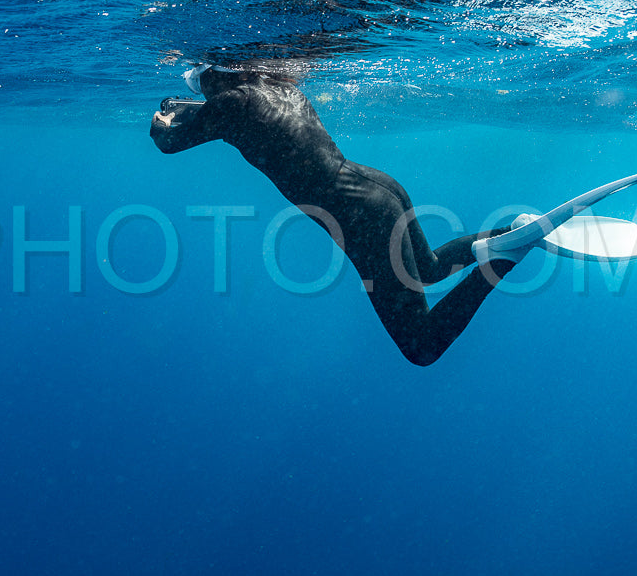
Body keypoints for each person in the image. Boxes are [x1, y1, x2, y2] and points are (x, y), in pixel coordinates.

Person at [150, 63, 519, 367]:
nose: (202, 92)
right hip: (381, 188)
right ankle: (511, 232)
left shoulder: (228, 105)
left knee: (421, 346)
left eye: (199, 84)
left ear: (216, 77)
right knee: (431, 267)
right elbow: (230, 113)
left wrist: (160, 118)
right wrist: (192, 107)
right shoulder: (277, 86)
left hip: (362, 217)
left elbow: (169, 142)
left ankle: (502, 260)